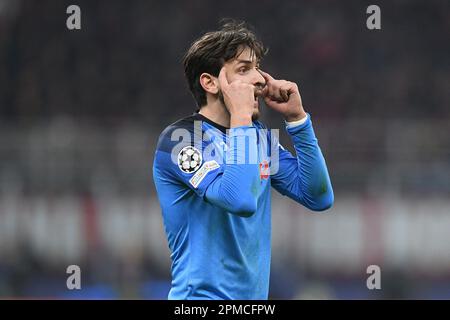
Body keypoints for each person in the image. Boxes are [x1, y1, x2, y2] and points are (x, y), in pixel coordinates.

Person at [153, 19, 333, 300]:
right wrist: (240, 118)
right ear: (210, 83)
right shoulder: (181, 139)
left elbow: (318, 196)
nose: (260, 79)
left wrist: (298, 120)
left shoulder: (256, 137)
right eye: (244, 69)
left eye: (257, 68)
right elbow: (239, 200)